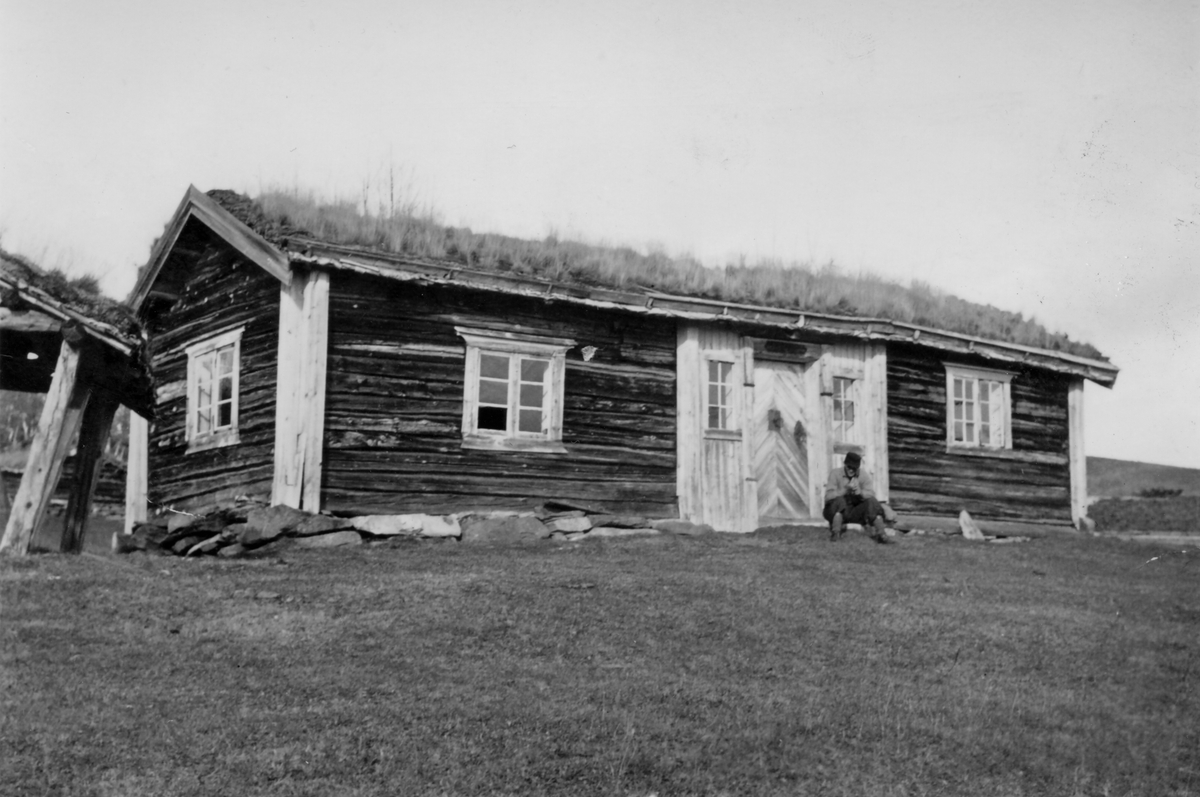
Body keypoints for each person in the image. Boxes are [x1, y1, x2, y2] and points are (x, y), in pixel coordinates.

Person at [824, 451, 892, 543]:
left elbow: (871, 494)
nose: (851, 470)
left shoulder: (862, 475)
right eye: (849, 467)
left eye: (854, 468)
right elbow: (828, 497)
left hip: (853, 511)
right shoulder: (835, 473)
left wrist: (860, 492)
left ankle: (882, 534)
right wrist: (845, 490)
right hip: (835, 511)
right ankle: (836, 533)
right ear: (845, 464)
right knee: (839, 501)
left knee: (872, 502)